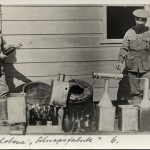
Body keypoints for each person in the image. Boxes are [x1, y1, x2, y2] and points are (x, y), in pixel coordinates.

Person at [116, 9, 150, 105]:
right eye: (137, 21)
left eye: (142, 21)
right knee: (135, 91)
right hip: (132, 66)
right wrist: (120, 61)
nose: (139, 24)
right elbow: (124, 48)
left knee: (144, 89)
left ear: (145, 21)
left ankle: (144, 112)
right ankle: (136, 108)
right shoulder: (129, 32)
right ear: (135, 20)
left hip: (146, 66)